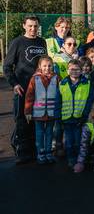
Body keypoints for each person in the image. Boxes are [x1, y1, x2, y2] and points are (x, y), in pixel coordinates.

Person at [4, 15, 48, 164]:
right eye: (30, 26)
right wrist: (14, 84)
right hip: (22, 88)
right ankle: (22, 151)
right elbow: (7, 66)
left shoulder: (42, 42)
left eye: (35, 26)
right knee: (22, 120)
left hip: (39, 88)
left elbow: (45, 64)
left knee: (37, 119)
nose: (33, 29)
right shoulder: (17, 42)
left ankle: (34, 149)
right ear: (24, 26)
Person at [24, 56, 61, 164]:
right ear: (40, 66)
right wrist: (28, 111)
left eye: (49, 65)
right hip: (38, 112)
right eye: (44, 66)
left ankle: (48, 153)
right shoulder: (34, 78)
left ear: (53, 66)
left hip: (51, 112)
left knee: (50, 133)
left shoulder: (57, 78)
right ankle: (40, 154)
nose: (47, 68)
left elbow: (62, 93)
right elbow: (29, 96)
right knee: (39, 133)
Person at [60, 59, 94, 167]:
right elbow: (58, 101)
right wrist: (58, 116)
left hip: (80, 118)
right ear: (67, 70)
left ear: (81, 71)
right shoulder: (62, 84)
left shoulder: (87, 83)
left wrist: (84, 115)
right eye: (72, 69)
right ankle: (71, 158)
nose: (74, 71)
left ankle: (80, 159)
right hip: (66, 118)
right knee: (69, 142)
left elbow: (90, 100)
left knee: (79, 141)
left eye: (77, 69)